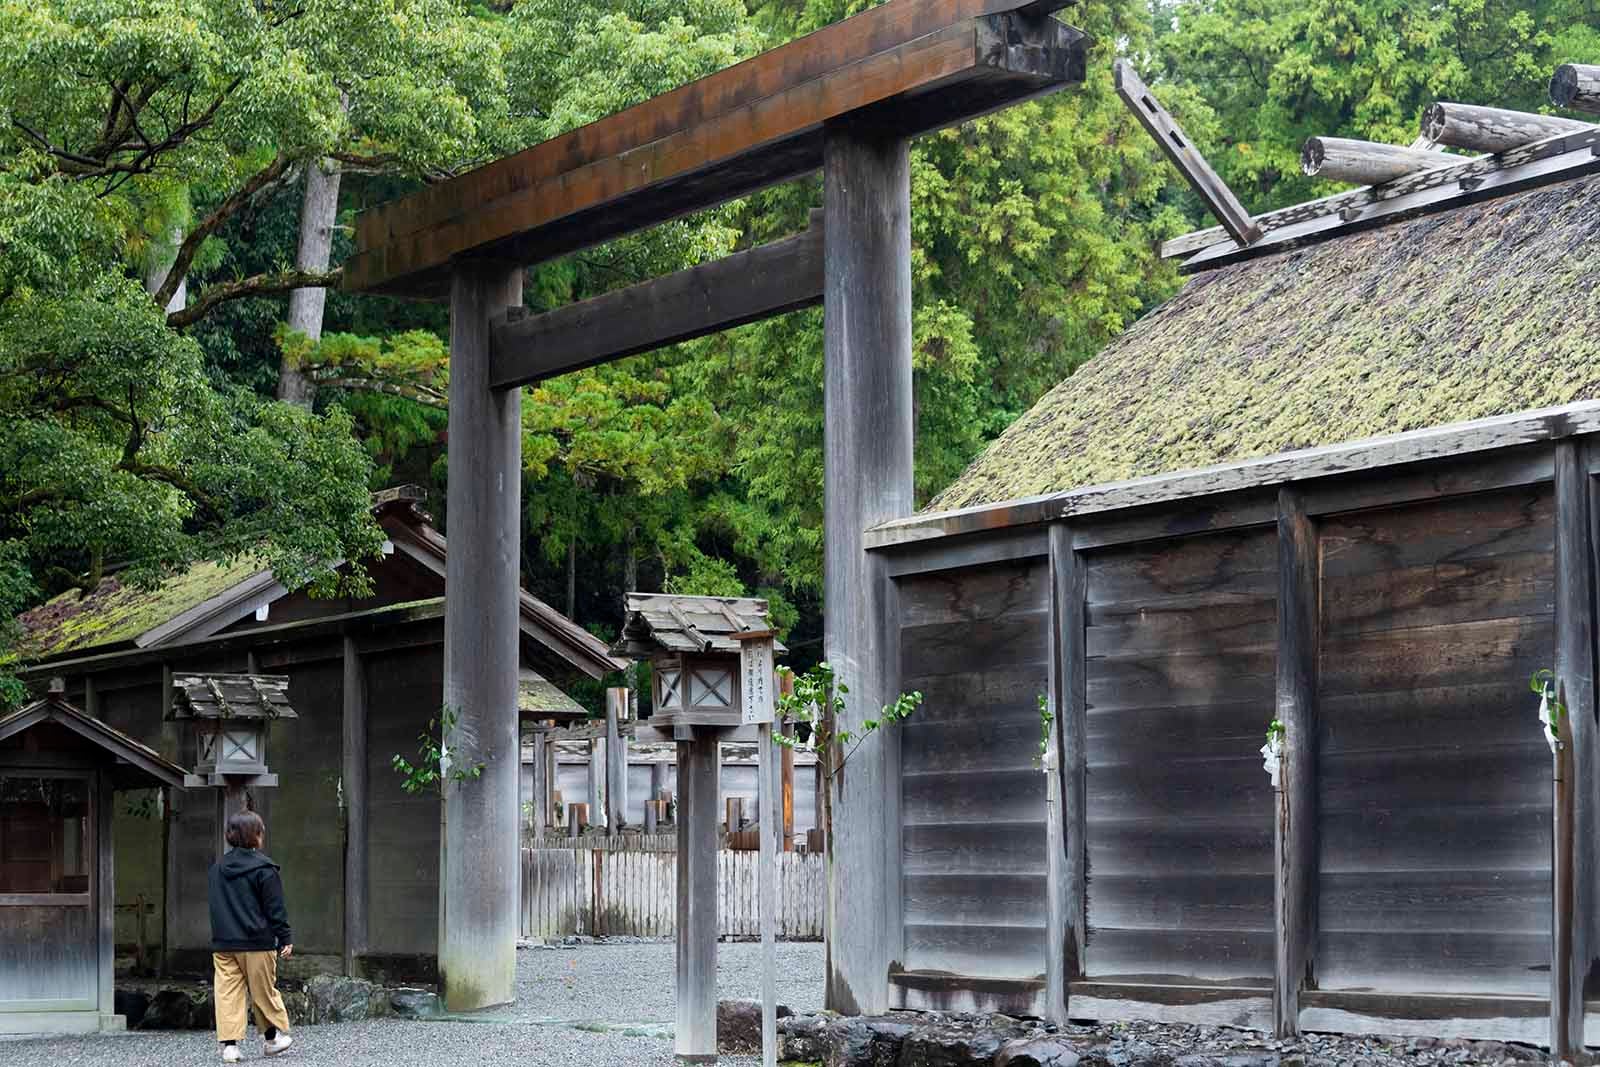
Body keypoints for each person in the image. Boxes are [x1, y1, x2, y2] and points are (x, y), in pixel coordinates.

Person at [208, 809, 294, 1061]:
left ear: (230, 835)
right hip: (257, 942)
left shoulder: (217, 869)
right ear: (256, 835)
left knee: (227, 993)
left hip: (224, 943)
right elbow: (275, 909)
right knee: (263, 990)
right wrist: (285, 937)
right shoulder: (265, 869)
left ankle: (230, 1047)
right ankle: (272, 1039)